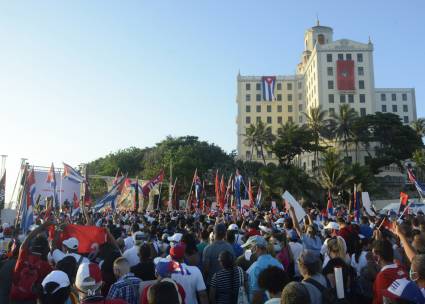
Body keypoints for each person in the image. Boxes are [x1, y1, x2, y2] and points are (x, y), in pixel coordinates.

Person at [10, 221, 53, 303]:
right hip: (31, 299)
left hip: (14, 297)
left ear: (32, 246)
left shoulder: (23, 257)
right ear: (45, 249)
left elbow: (26, 241)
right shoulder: (47, 266)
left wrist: (42, 226)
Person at [243, 235, 283, 303]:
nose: (247, 250)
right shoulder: (278, 263)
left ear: (256, 248)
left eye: (248, 247)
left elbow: (256, 296)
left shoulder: (256, 267)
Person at [372, 239, 408, 304]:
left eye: (373, 254)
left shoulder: (382, 276)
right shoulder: (401, 267)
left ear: (378, 256)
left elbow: (382, 301)